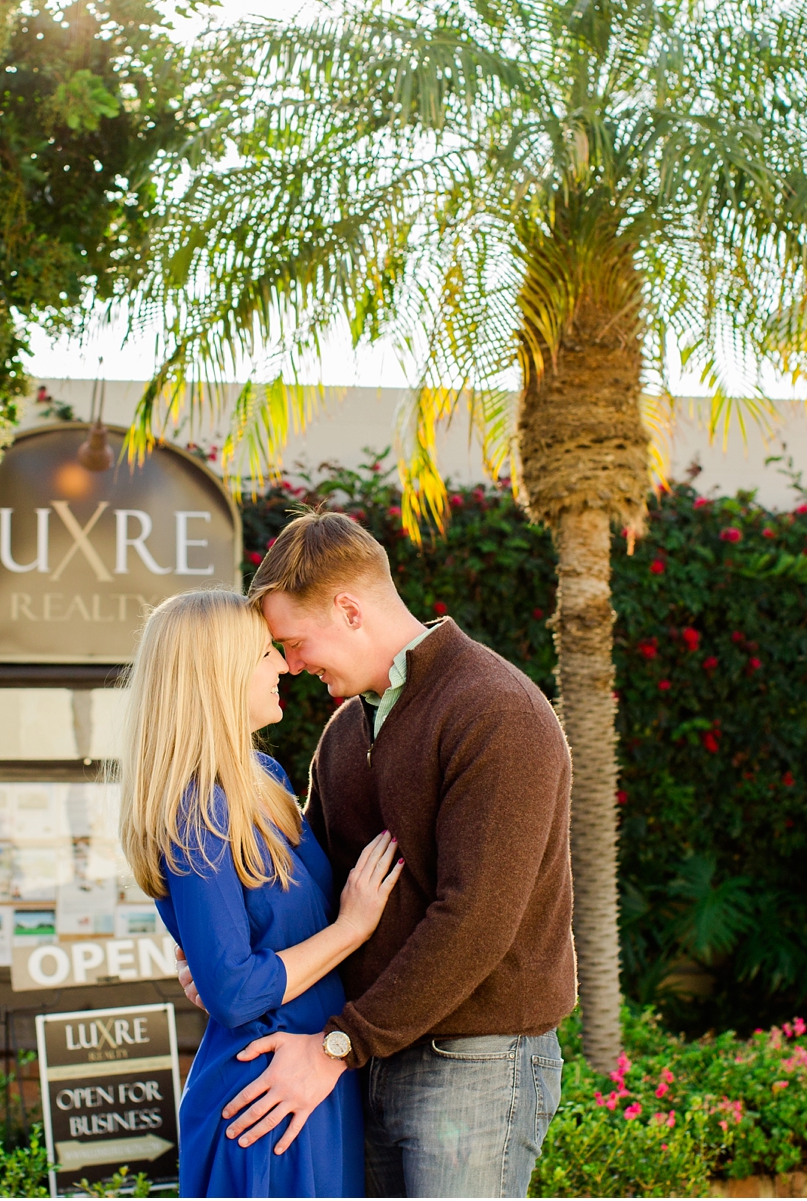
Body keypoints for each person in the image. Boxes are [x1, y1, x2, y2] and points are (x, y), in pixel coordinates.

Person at [188, 508, 577, 1198]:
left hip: (471, 1062)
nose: (291, 664)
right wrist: (227, 963)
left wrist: (340, 1045)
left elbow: (475, 920)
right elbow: (306, 890)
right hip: (367, 1059)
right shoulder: (344, 733)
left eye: (297, 642)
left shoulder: (495, 711)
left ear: (349, 609)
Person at [118, 589, 403, 1198]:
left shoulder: (265, 781)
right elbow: (234, 990)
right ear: (215, 674)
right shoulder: (195, 810)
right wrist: (351, 927)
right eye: (263, 653)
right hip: (266, 1098)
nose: (283, 666)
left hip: (314, 1076)